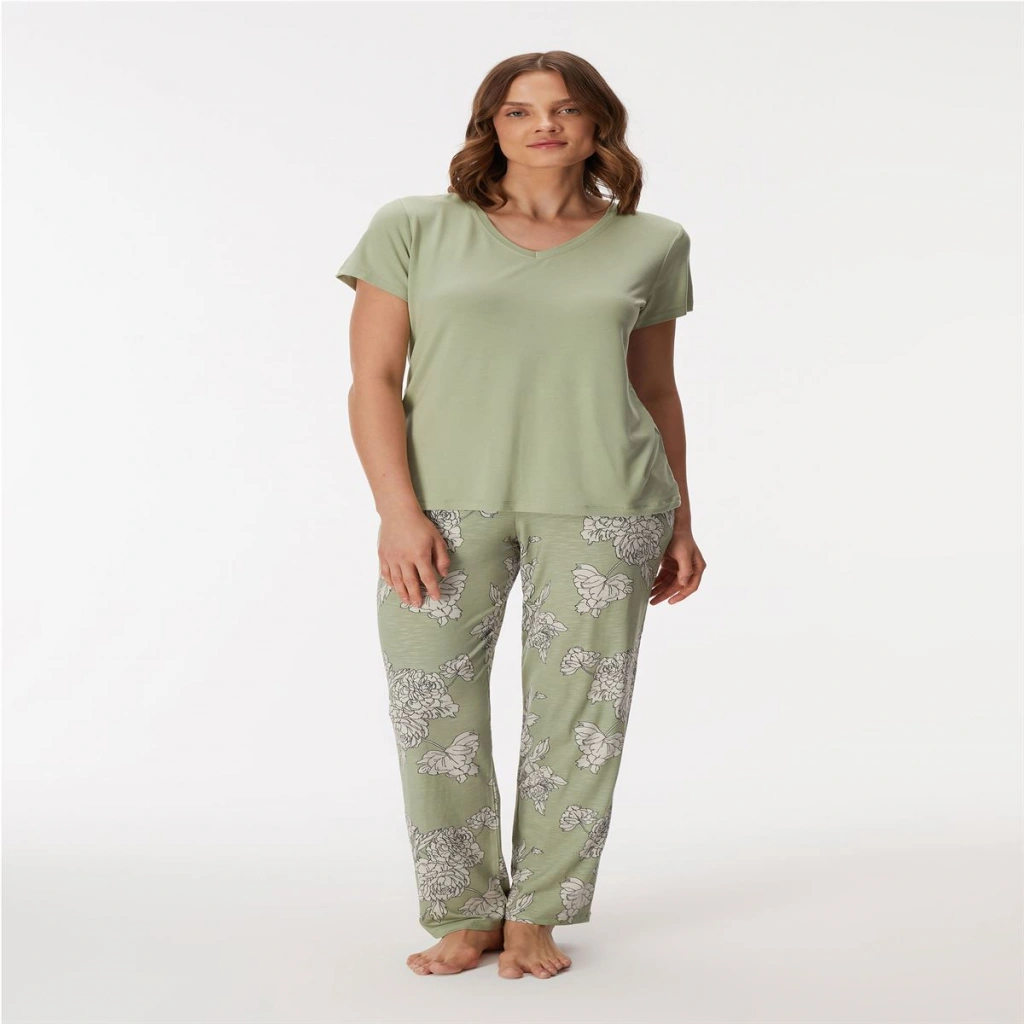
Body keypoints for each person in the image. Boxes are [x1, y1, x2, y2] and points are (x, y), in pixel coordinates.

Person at [335, 50, 707, 980]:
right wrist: (396, 510)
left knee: (580, 716)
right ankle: (466, 912)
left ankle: (539, 911)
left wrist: (680, 520)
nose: (544, 124)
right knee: (432, 705)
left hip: (607, 503)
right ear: (490, 126)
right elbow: (372, 379)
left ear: (598, 125)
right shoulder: (414, 226)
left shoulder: (652, 241)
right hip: (442, 505)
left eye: (566, 109)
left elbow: (656, 391)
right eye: (519, 110)